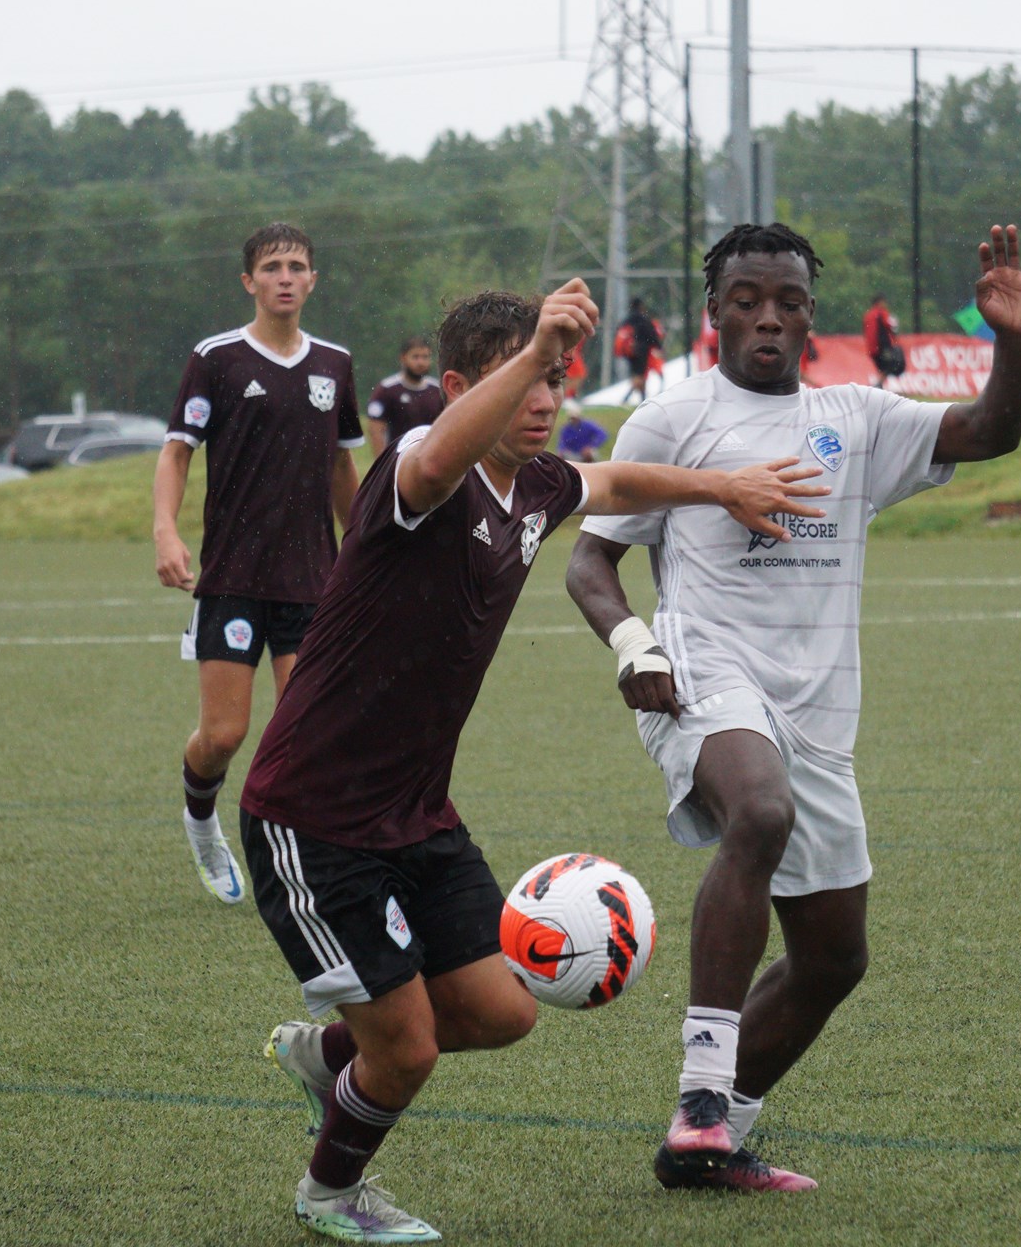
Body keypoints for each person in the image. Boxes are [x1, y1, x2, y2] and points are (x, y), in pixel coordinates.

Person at [245, 282, 831, 1242]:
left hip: (417, 814)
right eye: (526, 381)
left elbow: (617, 485)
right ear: (462, 388)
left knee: (502, 1011)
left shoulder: (537, 485)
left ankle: (327, 1059)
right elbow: (437, 456)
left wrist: (723, 488)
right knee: (407, 1053)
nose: (546, 399)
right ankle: (330, 1192)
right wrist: (534, 350)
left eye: (556, 380)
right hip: (313, 820)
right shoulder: (419, 472)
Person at [566, 221, 1021, 1193]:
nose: (768, 318)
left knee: (833, 959)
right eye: (746, 300)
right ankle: (703, 1095)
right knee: (760, 810)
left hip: (817, 710)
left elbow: (989, 431)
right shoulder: (671, 417)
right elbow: (589, 562)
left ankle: (707, 1143)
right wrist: (633, 644)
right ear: (714, 312)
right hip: (700, 670)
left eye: (788, 302)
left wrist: (1015, 340)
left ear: (812, 315)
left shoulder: (855, 417)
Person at [154, 222, 361, 905]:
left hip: (313, 581)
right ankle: (201, 820)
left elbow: (342, 468)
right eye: (271, 267)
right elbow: (177, 452)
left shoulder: (335, 364)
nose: (284, 277)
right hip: (234, 578)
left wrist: (367, 546)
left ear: (312, 280)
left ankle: (302, 862)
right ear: (249, 281)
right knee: (225, 734)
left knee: (307, 736)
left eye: (296, 266)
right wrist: (165, 532)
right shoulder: (216, 359)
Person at [364, 337, 444, 456]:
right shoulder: (387, 389)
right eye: (415, 357)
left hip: (430, 458)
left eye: (425, 357)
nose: (421, 362)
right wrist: (382, 461)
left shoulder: (437, 390)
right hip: (397, 458)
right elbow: (376, 429)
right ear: (403, 358)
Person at [618, 297, 662, 404]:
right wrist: (658, 347)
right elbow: (651, 334)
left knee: (638, 375)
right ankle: (626, 399)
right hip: (641, 350)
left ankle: (643, 398)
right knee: (640, 376)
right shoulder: (643, 319)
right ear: (641, 306)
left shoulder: (627, 320)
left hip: (629, 352)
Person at [863, 292, 903, 388]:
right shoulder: (882, 313)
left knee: (881, 367)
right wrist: (895, 337)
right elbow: (891, 326)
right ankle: (878, 385)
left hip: (871, 348)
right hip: (882, 346)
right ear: (880, 302)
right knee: (889, 365)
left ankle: (878, 385)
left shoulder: (868, 315)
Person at [556, 397, 608, 462]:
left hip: (586, 452)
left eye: (575, 418)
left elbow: (602, 434)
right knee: (561, 457)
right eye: (571, 418)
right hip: (574, 454)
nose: (573, 420)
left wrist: (591, 446)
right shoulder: (566, 429)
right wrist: (561, 450)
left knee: (592, 454)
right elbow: (562, 442)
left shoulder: (588, 425)